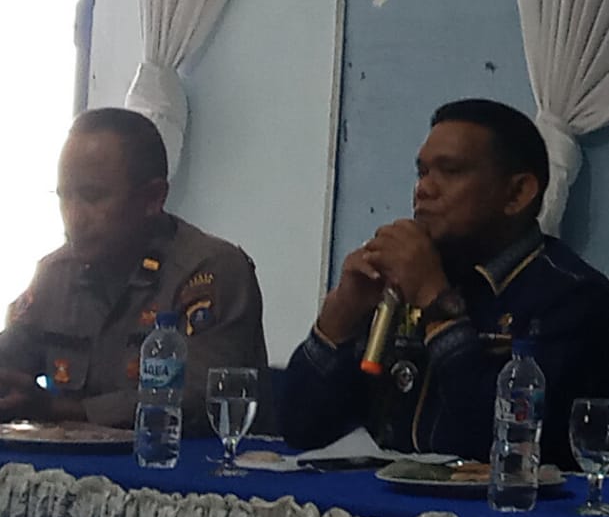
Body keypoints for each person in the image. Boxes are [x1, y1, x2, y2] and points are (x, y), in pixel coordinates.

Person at [280, 99, 609, 468]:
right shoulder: (400, 281)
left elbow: (507, 448)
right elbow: (301, 428)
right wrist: (338, 318)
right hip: (376, 498)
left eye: (449, 172)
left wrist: (436, 302)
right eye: (422, 172)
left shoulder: (574, 297)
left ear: (517, 193)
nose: (423, 189)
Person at [0, 107, 270, 433]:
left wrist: (57, 409)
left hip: (188, 462)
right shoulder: (55, 274)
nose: (74, 217)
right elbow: (10, 359)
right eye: (64, 197)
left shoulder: (208, 271)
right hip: (71, 462)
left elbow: (197, 397)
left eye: (92, 197)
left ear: (153, 198)